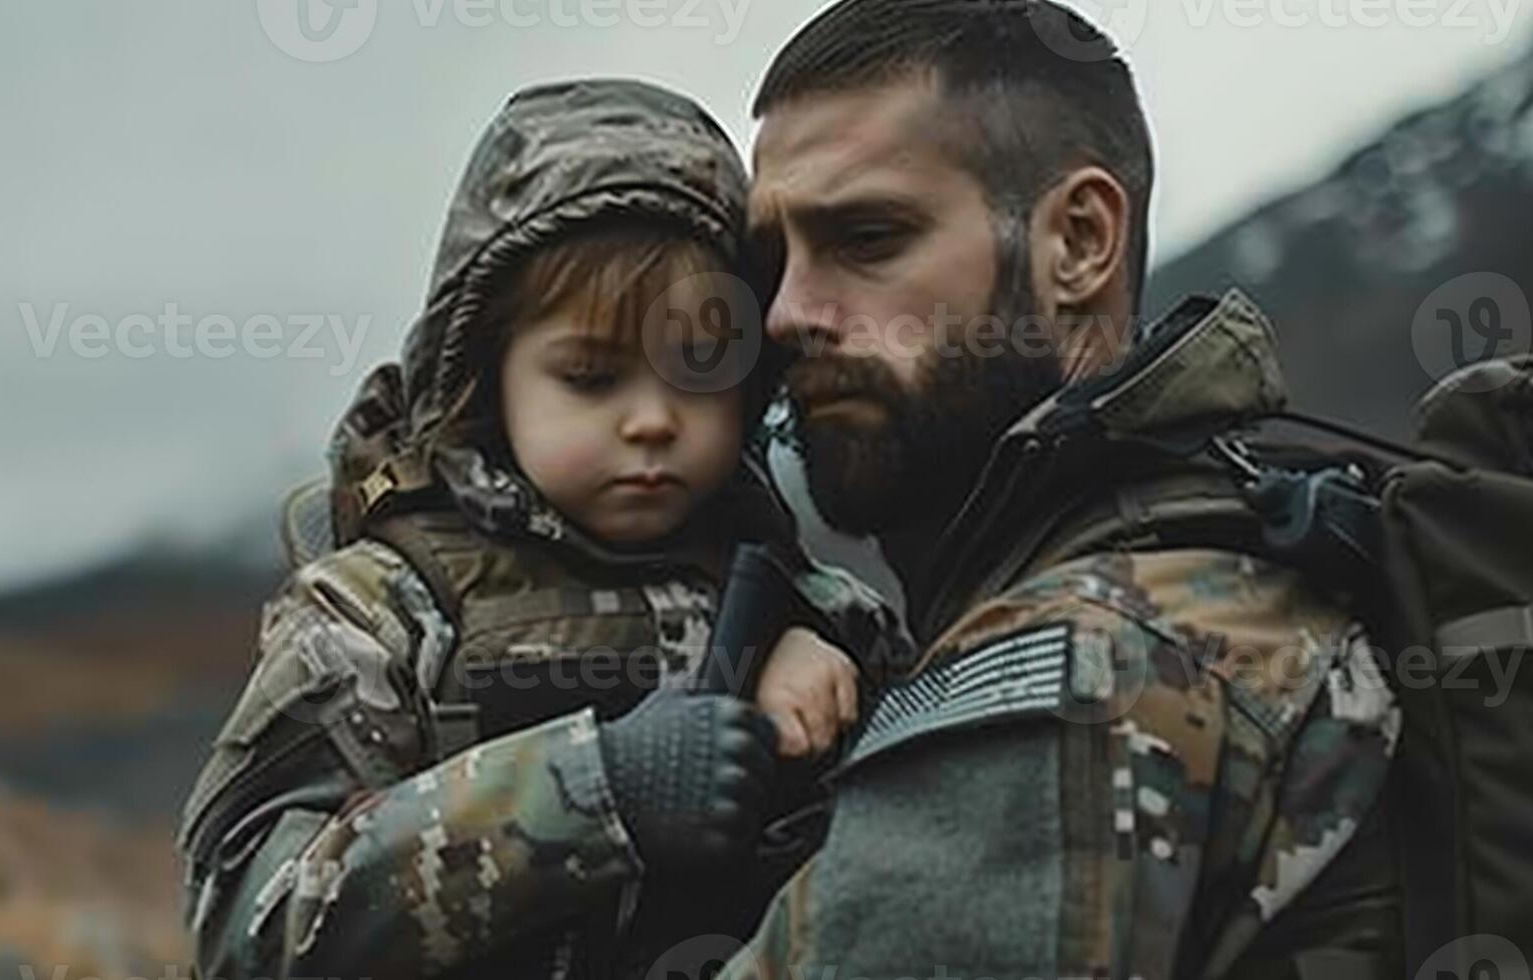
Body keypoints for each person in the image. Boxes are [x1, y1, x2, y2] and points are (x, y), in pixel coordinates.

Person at [721, 2, 1404, 978]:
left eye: (867, 236)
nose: (786, 314)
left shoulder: (1082, 663)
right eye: (769, 262)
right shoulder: (1221, 546)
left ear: (1078, 241)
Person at [175, 78, 911, 980]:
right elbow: (249, 925)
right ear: (490, 378)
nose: (652, 421)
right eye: (591, 377)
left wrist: (831, 653)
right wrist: (592, 792)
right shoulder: (381, 610)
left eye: (698, 373)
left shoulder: (796, 592)